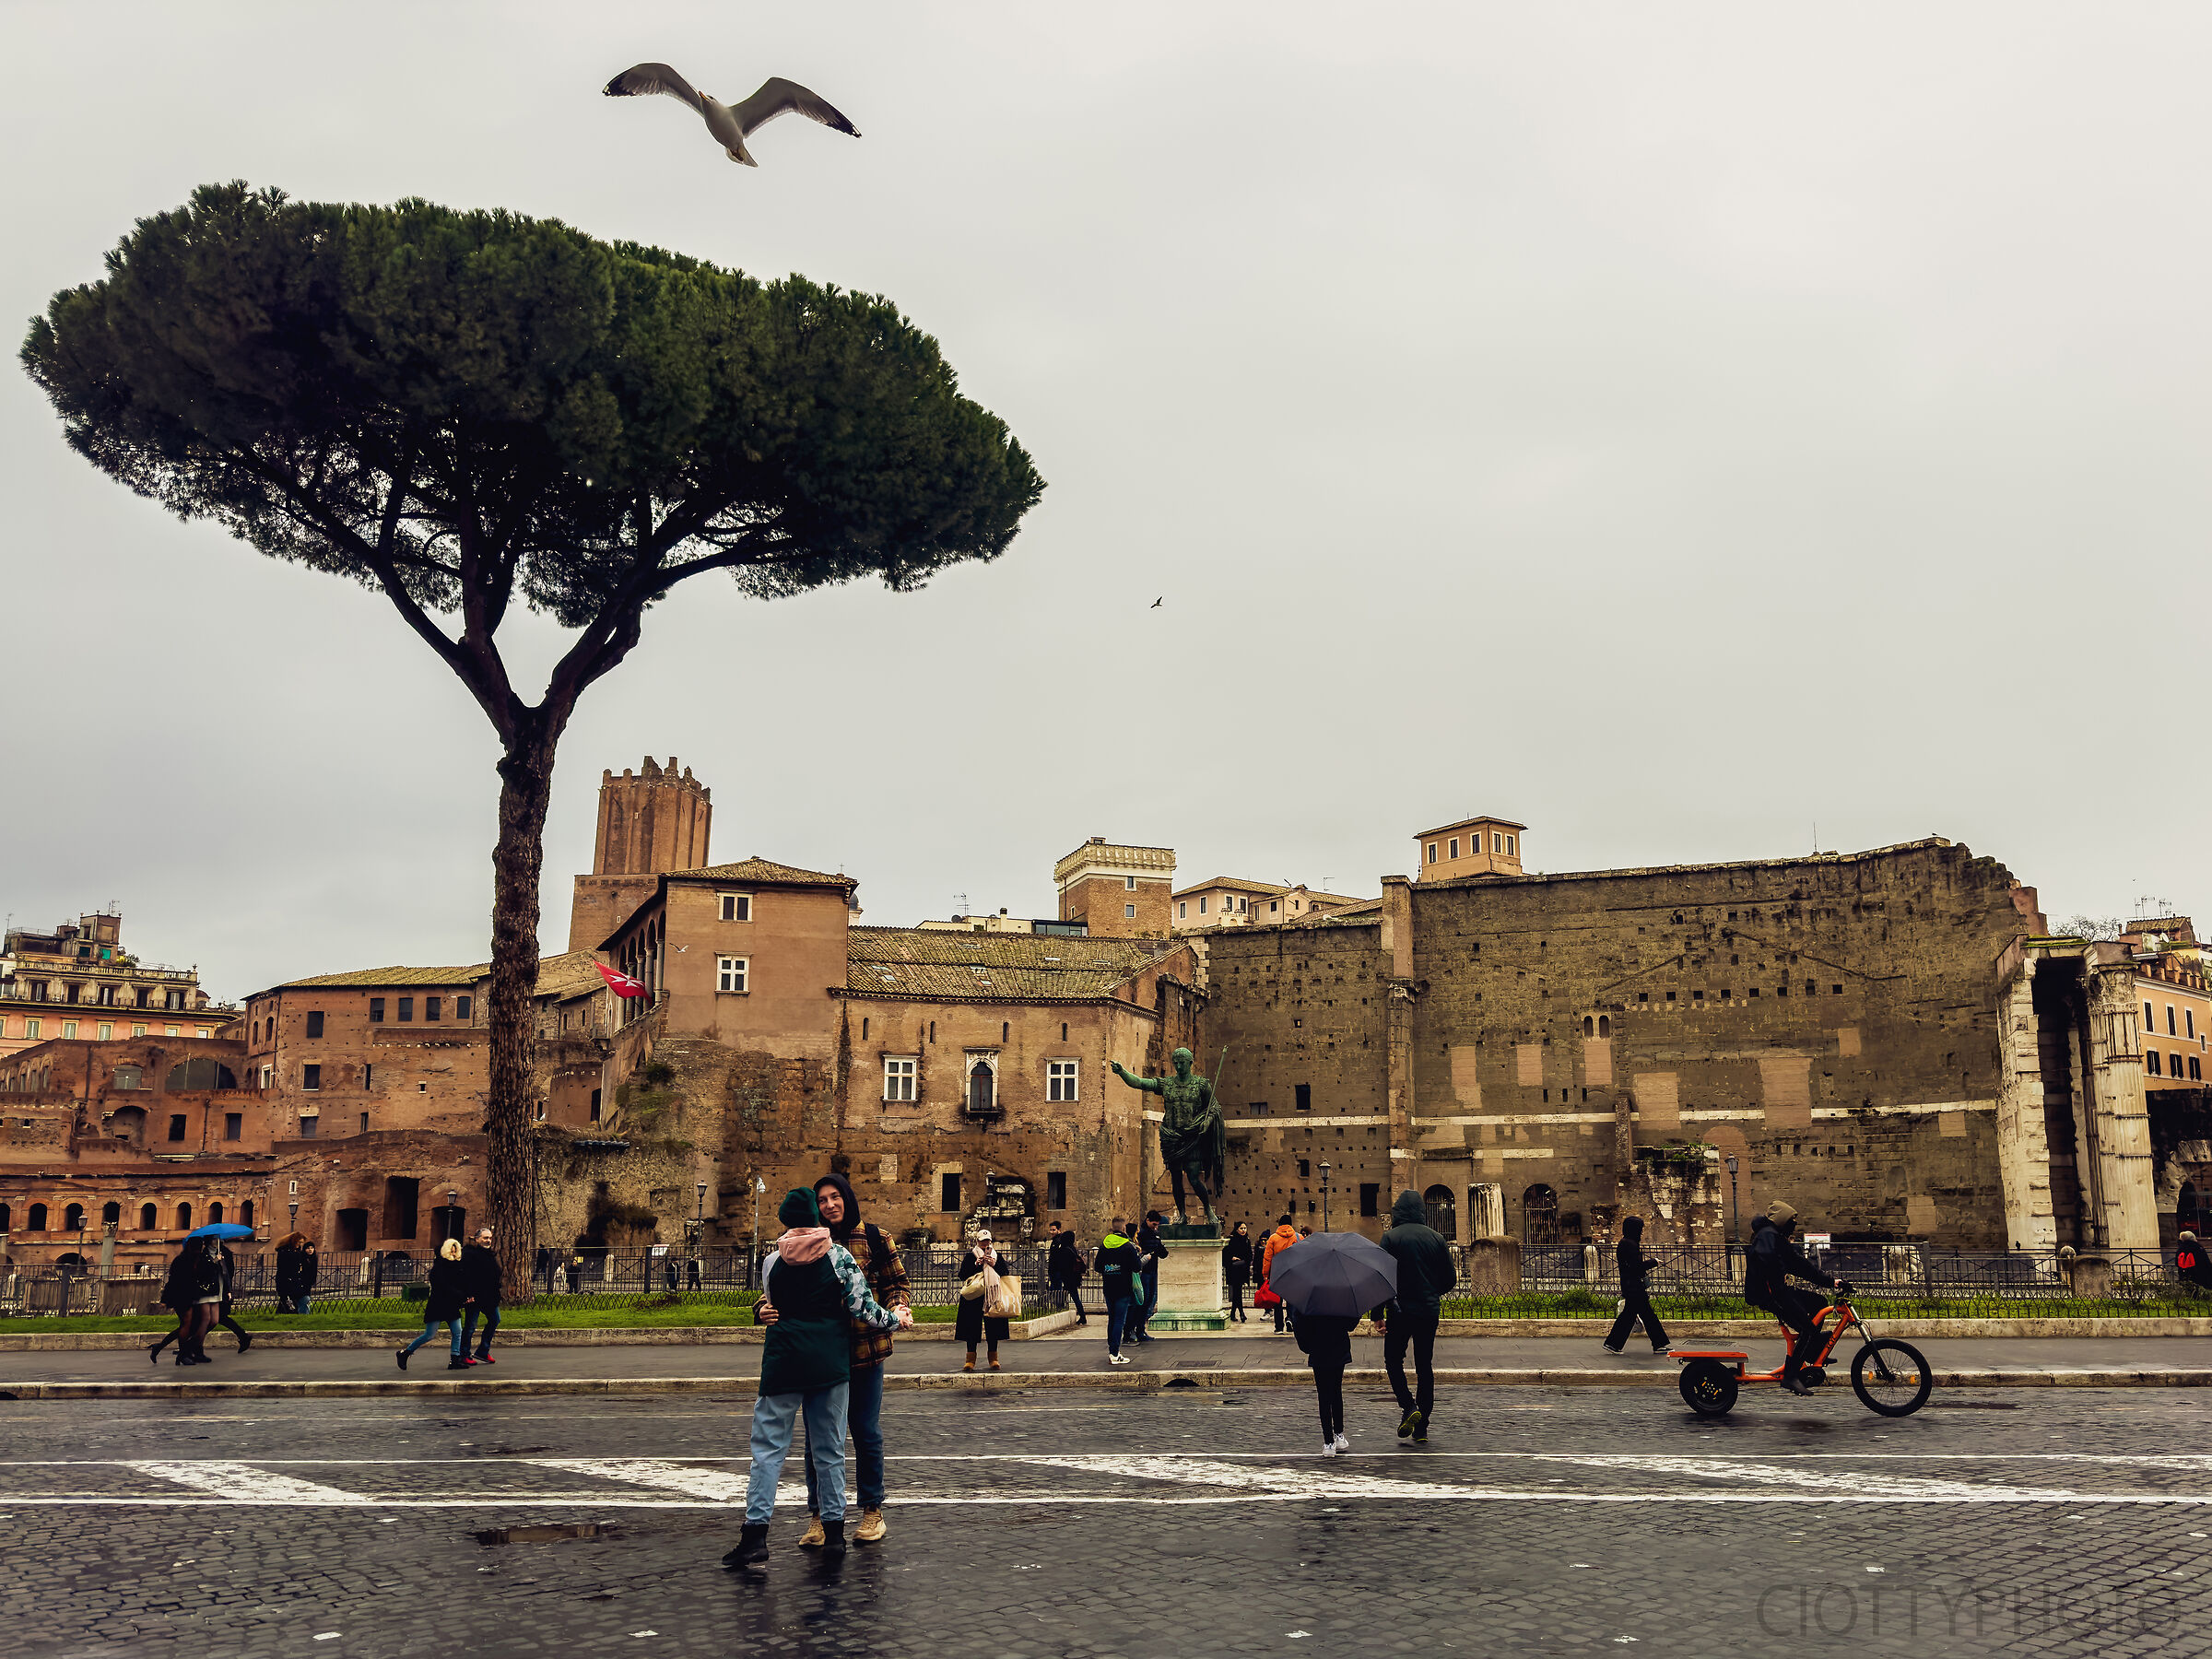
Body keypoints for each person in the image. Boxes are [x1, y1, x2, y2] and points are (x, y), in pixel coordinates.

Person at [722, 1188, 910, 1570]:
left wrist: (762, 1311)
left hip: (783, 1362)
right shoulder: (839, 1257)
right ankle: (835, 1534)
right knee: (829, 1449)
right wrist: (896, 1320)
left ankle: (755, 1535)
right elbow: (862, 1307)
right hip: (829, 1362)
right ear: (815, 1215)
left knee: (767, 1451)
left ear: (784, 1220)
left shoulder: (771, 1261)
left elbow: (771, 1304)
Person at [1744, 1202, 1847, 1396]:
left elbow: (1800, 1266)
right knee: (1807, 1330)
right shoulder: (1767, 1235)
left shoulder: (1775, 1236)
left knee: (1819, 1303)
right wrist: (1782, 1270)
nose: (1794, 1224)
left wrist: (1832, 1282)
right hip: (1769, 1294)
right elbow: (1769, 1262)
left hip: (1778, 1290)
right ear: (1782, 1220)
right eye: (1792, 1220)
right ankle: (1791, 1376)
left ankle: (1811, 1351)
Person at [1376, 1190, 1452, 1443]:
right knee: (1424, 1366)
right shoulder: (1437, 1238)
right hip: (1428, 1311)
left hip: (1399, 1311)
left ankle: (1408, 1406)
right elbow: (1450, 1279)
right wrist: (1431, 1292)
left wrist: (1377, 1313)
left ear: (1398, 1211)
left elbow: (1381, 1277)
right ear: (1421, 1211)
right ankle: (1422, 1427)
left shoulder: (1390, 1237)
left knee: (1392, 1360)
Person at [396, 1238, 470, 1371]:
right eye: (451, 1251)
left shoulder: (458, 1266)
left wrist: (466, 1296)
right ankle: (405, 1353)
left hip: (452, 1305)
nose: (453, 1254)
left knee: (457, 1332)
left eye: (455, 1251)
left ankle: (454, 1360)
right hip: (438, 1305)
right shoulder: (438, 1268)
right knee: (429, 1335)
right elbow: (443, 1286)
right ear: (445, 1251)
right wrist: (461, 1295)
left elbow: (461, 1284)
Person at [1294, 1301, 1356, 1455]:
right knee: (1336, 1391)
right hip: (1339, 1347)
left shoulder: (1309, 1299)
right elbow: (1351, 1324)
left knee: (1324, 1395)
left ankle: (1329, 1442)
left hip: (1318, 1348)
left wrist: (1306, 1346)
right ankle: (1339, 1434)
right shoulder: (1342, 1297)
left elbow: (1299, 1322)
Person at [1604, 1215, 1670, 1358]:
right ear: (1634, 1229)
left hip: (1631, 1285)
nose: (1642, 1231)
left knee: (1632, 1315)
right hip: (1634, 1286)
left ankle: (1614, 1343)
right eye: (1640, 1228)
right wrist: (1653, 1262)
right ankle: (1659, 1344)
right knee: (1645, 1315)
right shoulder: (1630, 1244)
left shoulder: (1626, 1242)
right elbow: (1636, 1266)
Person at [149, 1239, 221, 1365]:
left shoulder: (199, 1259)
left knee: (190, 1326)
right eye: (198, 1247)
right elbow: (173, 1281)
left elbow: (205, 1274)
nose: (200, 1249)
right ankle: (182, 1355)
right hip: (180, 1296)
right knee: (186, 1324)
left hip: (192, 1295)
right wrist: (165, 1300)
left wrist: (215, 1261)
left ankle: (161, 1348)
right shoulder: (181, 1260)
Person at [956, 1228, 1013, 1371]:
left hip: (992, 1296)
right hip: (974, 1297)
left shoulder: (997, 1256)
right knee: (971, 1327)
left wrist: (994, 1264)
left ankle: (993, 1359)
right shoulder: (971, 1256)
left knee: (994, 1327)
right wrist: (976, 1265)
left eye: (987, 1241)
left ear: (991, 1241)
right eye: (982, 1241)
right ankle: (970, 1360)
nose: (985, 1244)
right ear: (977, 1241)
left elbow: (1005, 1273)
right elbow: (962, 1275)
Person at [1095, 1218, 1145, 1366]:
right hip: (1123, 1287)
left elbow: (1097, 1267)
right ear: (1124, 1229)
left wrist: (1110, 1269)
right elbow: (1137, 1267)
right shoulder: (1128, 1246)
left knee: (1112, 1319)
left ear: (1112, 1229)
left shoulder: (1104, 1245)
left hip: (1108, 1286)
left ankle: (1112, 1350)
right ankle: (1115, 1353)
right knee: (1119, 1320)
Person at [461, 1226, 503, 1365]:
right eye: (485, 1238)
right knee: (470, 1326)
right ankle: (464, 1354)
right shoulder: (469, 1254)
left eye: (490, 1238)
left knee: (495, 1319)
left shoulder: (489, 1254)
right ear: (477, 1239)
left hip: (489, 1297)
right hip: (474, 1297)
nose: (488, 1240)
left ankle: (483, 1351)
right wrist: (468, 1294)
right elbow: (466, 1276)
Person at [1127, 1211, 1166, 1343]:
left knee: (1148, 1301)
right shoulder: (1142, 1234)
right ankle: (1134, 1329)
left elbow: (1161, 1251)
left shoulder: (1156, 1234)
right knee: (1142, 1302)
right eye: (1154, 1224)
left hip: (1152, 1270)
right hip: (1144, 1272)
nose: (1156, 1227)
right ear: (1148, 1220)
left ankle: (1140, 1329)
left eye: (1157, 1225)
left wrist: (1161, 1251)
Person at [1261, 1215, 1300, 1334]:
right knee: (1291, 1299)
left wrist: (1265, 1274)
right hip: (1293, 1273)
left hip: (1277, 1273)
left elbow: (1267, 1258)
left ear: (1279, 1224)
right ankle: (1290, 1319)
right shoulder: (1299, 1237)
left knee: (1277, 1300)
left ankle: (1279, 1327)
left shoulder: (1273, 1238)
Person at [1047, 1221, 1090, 1326]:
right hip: (1072, 1277)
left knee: (1069, 1296)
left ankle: (1081, 1316)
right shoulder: (1072, 1248)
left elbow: (1063, 1265)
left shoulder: (1065, 1250)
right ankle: (1077, 1315)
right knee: (1068, 1296)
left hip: (1068, 1278)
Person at [215, 1244, 253, 1355]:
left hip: (219, 1291)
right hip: (219, 1290)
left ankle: (191, 1345)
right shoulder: (220, 1253)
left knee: (215, 1318)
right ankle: (243, 1336)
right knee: (216, 1318)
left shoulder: (221, 1254)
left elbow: (227, 1273)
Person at [275, 1231, 318, 1315]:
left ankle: (302, 1317)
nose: (300, 1244)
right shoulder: (284, 1252)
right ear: (294, 1241)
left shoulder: (298, 1252)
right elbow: (283, 1268)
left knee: (303, 1299)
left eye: (302, 1243)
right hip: (286, 1282)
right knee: (288, 1303)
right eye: (299, 1242)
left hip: (297, 1282)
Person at [1221, 1222, 1253, 1324]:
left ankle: (1233, 1313)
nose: (1243, 1230)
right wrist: (1232, 1258)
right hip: (1233, 1269)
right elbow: (1224, 1254)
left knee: (1237, 1292)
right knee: (1237, 1291)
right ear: (1237, 1229)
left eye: (1245, 1228)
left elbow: (1249, 1255)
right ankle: (1241, 1313)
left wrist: (1245, 1261)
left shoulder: (1247, 1240)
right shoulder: (1231, 1239)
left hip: (1242, 1269)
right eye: (1241, 1228)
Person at [2178, 1230, 2212, 1295]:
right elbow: (2204, 1261)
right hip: (2198, 1275)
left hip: (2184, 1275)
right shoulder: (2197, 1247)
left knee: (2189, 1292)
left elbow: (2177, 1263)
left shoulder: (2180, 1248)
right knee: (2199, 1292)